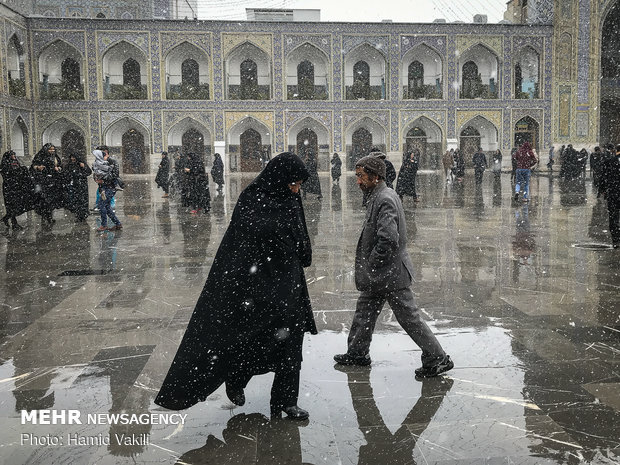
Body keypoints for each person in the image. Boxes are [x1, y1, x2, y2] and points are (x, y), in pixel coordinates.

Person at [155, 153, 316, 420]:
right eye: (293, 183)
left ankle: (287, 400)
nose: (296, 189)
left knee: (290, 344)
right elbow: (241, 242)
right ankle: (237, 378)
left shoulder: (290, 198)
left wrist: (300, 251)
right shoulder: (252, 198)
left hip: (288, 284)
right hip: (257, 286)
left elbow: (300, 234)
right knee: (251, 339)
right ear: (280, 178)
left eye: (299, 184)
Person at [333, 154, 453, 378]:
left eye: (361, 176)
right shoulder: (377, 195)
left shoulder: (385, 198)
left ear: (375, 176)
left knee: (409, 317)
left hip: (390, 273)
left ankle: (437, 358)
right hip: (381, 273)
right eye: (357, 176)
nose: (358, 181)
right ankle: (357, 353)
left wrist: (373, 264)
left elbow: (388, 238)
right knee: (365, 312)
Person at [30, 143, 64, 226]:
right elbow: (33, 167)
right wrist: (38, 168)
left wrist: (58, 168)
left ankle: (49, 216)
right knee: (44, 200)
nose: (52, 151)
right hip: (43, 181)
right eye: (50, 149)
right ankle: (45, 216)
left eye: (53, 149)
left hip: (53, 181)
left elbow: (60, 166)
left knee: (51, 200)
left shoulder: (55, 157)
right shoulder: (40, 156)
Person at [1, 150, 35, 231]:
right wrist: (20, 171)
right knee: (11, 205)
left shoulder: (16, 162)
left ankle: (7, 219)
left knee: (16, 205)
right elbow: (8, 175)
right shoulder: (5, 164)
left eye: (14, 154)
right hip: (9, 188)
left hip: (17, 187)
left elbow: (19, 173)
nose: (14, 156)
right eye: (12, 155)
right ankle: (14, 224)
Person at [92, 149, 122, 231]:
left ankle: (104, 225)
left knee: (102, 205)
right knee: (107, 207)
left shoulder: (111, 163)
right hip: (103, 187)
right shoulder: (97, 163)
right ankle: (117, 223)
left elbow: (114, 175)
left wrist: (104, 180)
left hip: (110, 187)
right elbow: (96, 174)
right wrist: (97, 179)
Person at [599, 144, 620, 248]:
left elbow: (603, 177)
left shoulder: (609, 162)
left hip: (613, 193)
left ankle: (616, 239)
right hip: (614, 191)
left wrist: (602, 190)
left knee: (613, 216)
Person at [64, 153, 92, 222]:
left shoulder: (82, 164)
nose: (72, 159)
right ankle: (78, 214)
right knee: (75, 201)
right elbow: (66, 174)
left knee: (82, 200)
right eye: (71, 157)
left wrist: (83, 167)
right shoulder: (69, 165)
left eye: (74, 157)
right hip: (74, 185)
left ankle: (83, 214)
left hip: (82, 186)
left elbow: (88, 172)